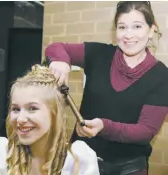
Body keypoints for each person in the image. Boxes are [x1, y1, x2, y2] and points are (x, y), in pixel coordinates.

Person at [45, 1, 168, 175]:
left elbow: (145, 131)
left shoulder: (161, 75)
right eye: (122, 27)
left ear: (152, 30)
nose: (128, 35)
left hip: (128, 168)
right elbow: (56, 47)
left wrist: (104, 126)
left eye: (137, 26)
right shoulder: (98, 54)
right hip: (83, 160)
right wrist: (61, 61)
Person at [0, 64, 100, 175]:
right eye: (16, 109)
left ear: (54, 113)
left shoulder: (77, 160)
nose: (20, 119)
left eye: (32, 108)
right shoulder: (1, 155)